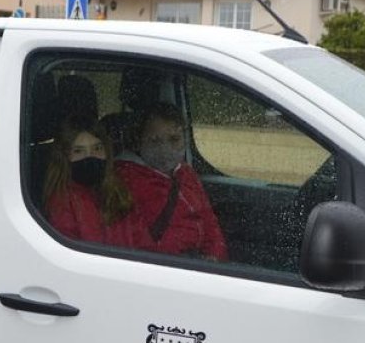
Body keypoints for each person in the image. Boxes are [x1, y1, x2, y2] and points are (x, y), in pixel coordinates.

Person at [116, 104, 228, 260]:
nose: (165, 148)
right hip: (165, 267)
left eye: (174, 139)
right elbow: (131, 241)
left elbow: (209, 222)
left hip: (199, 264)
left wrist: (214, 256)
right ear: (138, 141)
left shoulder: (187, 174)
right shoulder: (126, 180)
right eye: (154, 141)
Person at [42, 115, 151, 249]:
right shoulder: (62, 203)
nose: (90, 156)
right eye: (78, 151)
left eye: (97, 148)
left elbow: (144, 244)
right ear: (64, 158)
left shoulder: (120, 192)